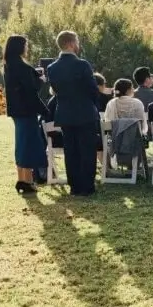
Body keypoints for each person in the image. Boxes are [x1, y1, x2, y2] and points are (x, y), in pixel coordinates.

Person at [47, 31, 100, 197]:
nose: (78, 45)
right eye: (77, 41)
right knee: (87, 150)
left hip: (65, 113)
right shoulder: (83, 65)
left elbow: (55, 91)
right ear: (71, 43)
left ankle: (75, 186)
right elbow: (93, 89)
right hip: (84, 112)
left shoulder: (52, 68)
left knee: (71, 151)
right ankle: (87, 186)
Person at [3, 35, 49, 194]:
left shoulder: (9, 65)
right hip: (27, 111)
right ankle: (27, 181)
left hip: (16, 111)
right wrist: (41, 80)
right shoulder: (22, 66)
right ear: (20, 47)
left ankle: (21, 178)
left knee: (21, 143)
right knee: (29, 143)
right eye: (26, 45)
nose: (27, 48)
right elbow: (31, 90)